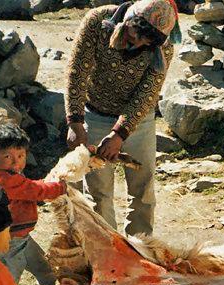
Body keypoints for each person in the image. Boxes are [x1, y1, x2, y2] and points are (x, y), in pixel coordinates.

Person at [65, 0, 179, 236]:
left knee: (143, 191)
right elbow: (77, 70)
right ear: (127, 20)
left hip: (138, 121)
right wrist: (75, 122)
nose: (135, 45)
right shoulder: (97, 21)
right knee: (98, 192)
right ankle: (108, 250)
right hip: (95, 114)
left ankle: (140, 250)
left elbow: (147, 93)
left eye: (144, 44)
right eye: (133, 36)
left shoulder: (162, 49)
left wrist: (119, 134)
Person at [0, 123, 67, 285]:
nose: (16, 162)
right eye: (8, 156)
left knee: (42, 265)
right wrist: (60, 187)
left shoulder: (1, 173)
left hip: (21, 236)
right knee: (10, 275)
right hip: (10, 241)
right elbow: (36, 191)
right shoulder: (5, 180)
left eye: (21, 155)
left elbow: (28, 186)